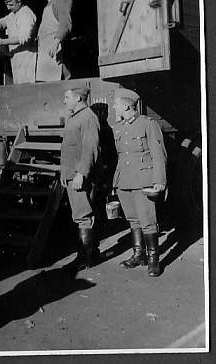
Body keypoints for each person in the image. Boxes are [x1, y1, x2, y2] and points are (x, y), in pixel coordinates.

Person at [112, 88, 167, 277]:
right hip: (124, 179)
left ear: (127, 105)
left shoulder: (147, 124)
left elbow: (158, 153)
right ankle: (138, 255)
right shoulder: (118, 127)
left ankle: (154, 260)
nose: (114, 107)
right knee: (133, 219)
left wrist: (159, 180)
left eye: (116, 104)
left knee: (148, 221)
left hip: (144, 179)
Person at [60, 86, 101, 279]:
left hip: (79, 176)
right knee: (80, 214)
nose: (64, 100)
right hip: (72, 174)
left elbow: (90, 148)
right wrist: (65, 173)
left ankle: (85, 258)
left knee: (83, 215)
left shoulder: (87, 117)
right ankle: (89, 253)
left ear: (78, 98)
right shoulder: (77, 117)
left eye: (67, 97)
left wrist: (81, 174)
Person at [0, 0, 37, 84]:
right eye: (7, 5)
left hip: (26, 57)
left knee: (27, 87)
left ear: (19, 2)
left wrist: (2, 42)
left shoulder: (26, 14)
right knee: (18, 86)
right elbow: (4, 21)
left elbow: (24, 38)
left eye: (10, 5)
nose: (8, 8)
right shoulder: (14, 13)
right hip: (16, 56)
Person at [36, 0, 73, 82]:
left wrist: (56, 42)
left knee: (60, 82)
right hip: (47, 51)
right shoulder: (50, 3)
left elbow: (65, 23)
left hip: (56, 48)